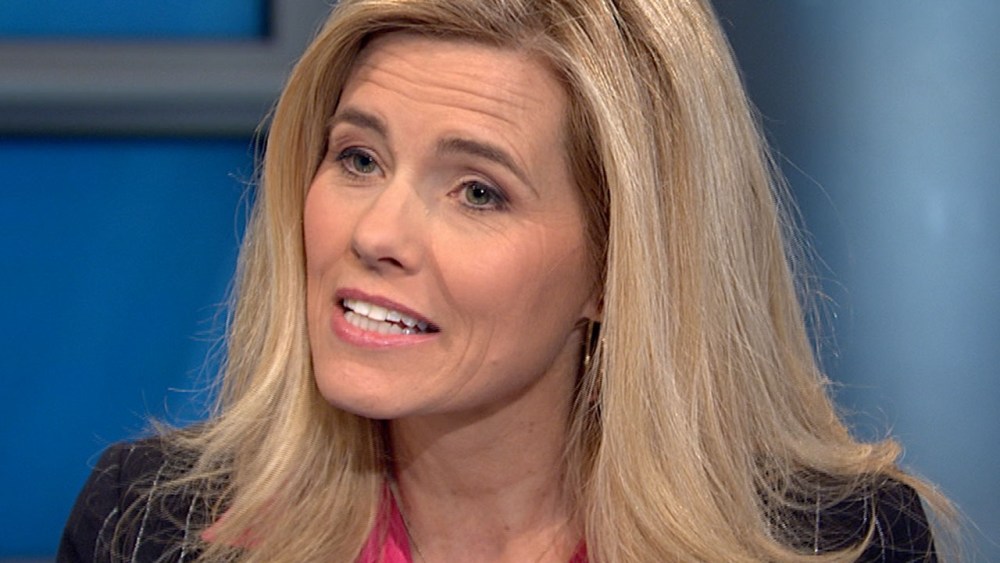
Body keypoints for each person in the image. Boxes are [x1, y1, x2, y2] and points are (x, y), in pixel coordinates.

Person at [59, 0, 953, 561]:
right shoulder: (146, 529)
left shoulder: (847, 543)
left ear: (618, 267)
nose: (375, 234)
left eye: (478, 191)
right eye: (360, 158)